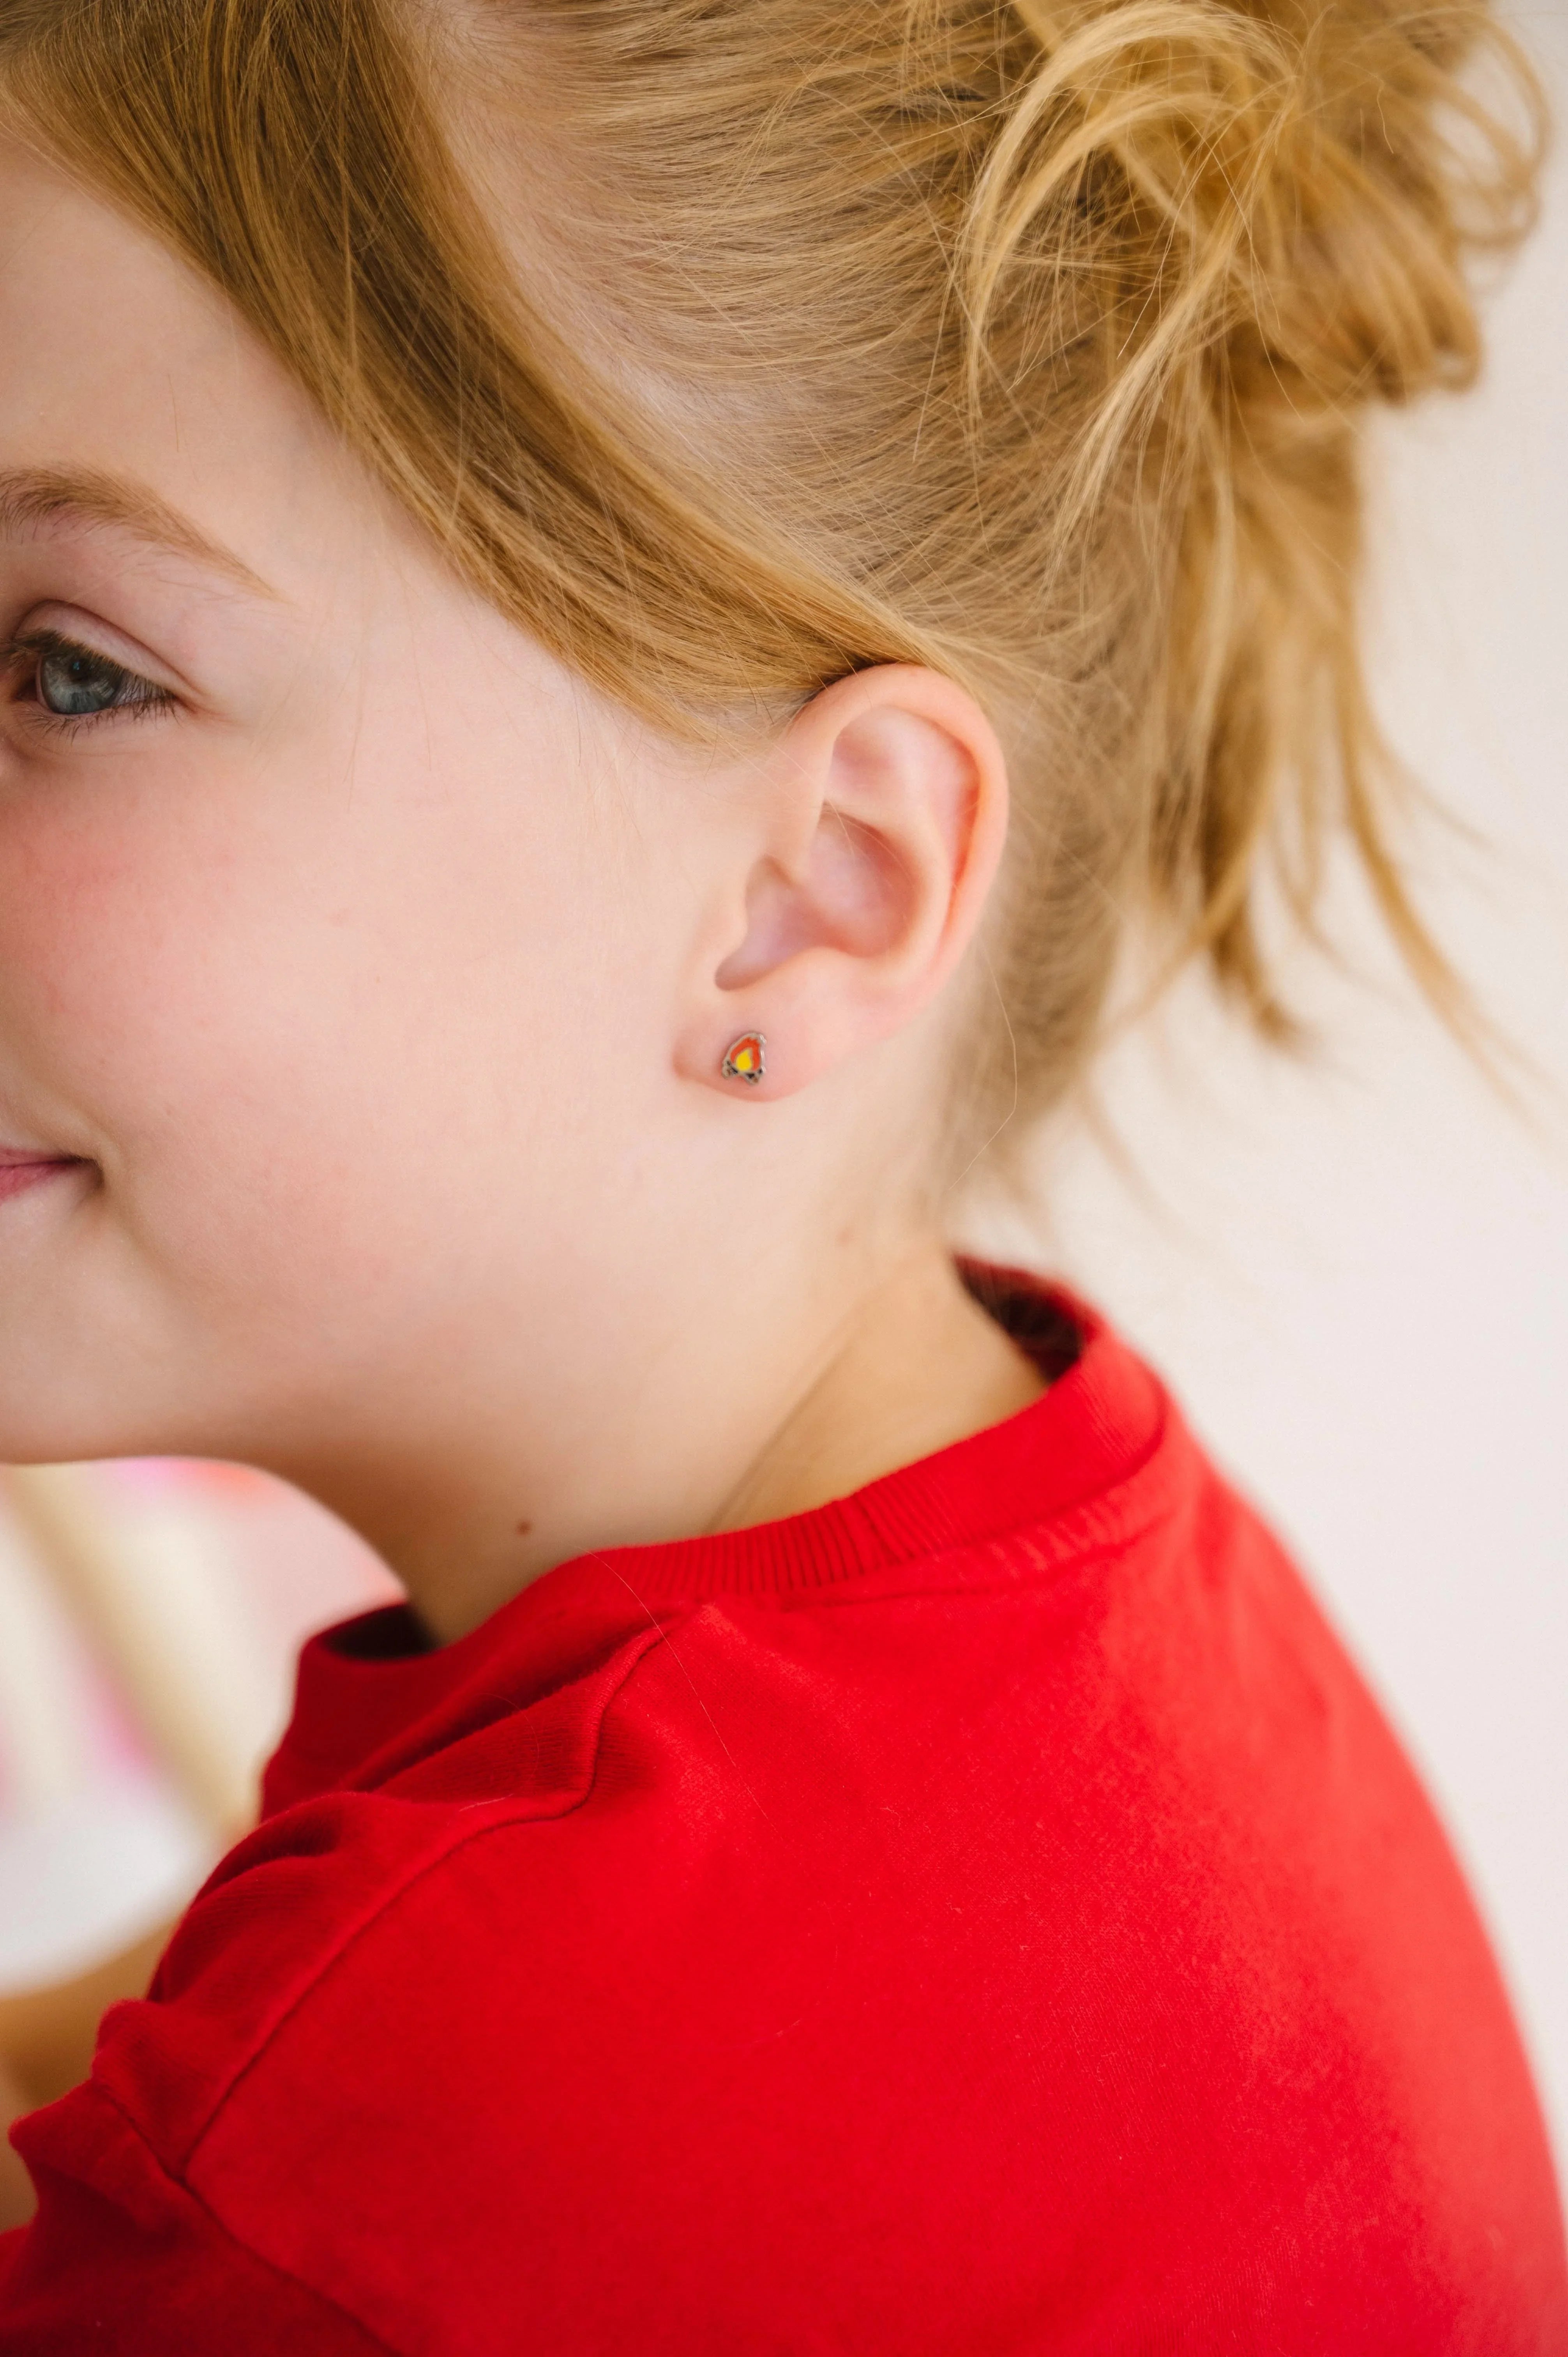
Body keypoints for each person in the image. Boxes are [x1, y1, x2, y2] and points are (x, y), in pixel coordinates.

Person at [0, 0, 1562, 2345]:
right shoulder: (1062, 1564)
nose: (38, 703)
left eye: (68, 670)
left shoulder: (392, 2156)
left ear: (813, 892)